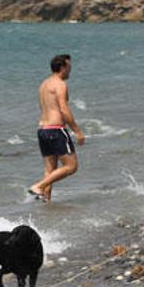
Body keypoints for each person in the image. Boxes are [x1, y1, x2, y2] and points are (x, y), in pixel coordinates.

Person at [28, 54, 85, 203]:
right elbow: (63, 109)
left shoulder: (43, 84)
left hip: (42, 130)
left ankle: (46, 202)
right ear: (62, 67)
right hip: (55, 129)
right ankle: (39, 186)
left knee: (50, 170)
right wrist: (77, 131)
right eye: (69, 67)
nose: (70, 70)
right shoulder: (60, 84)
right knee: (71, 166)